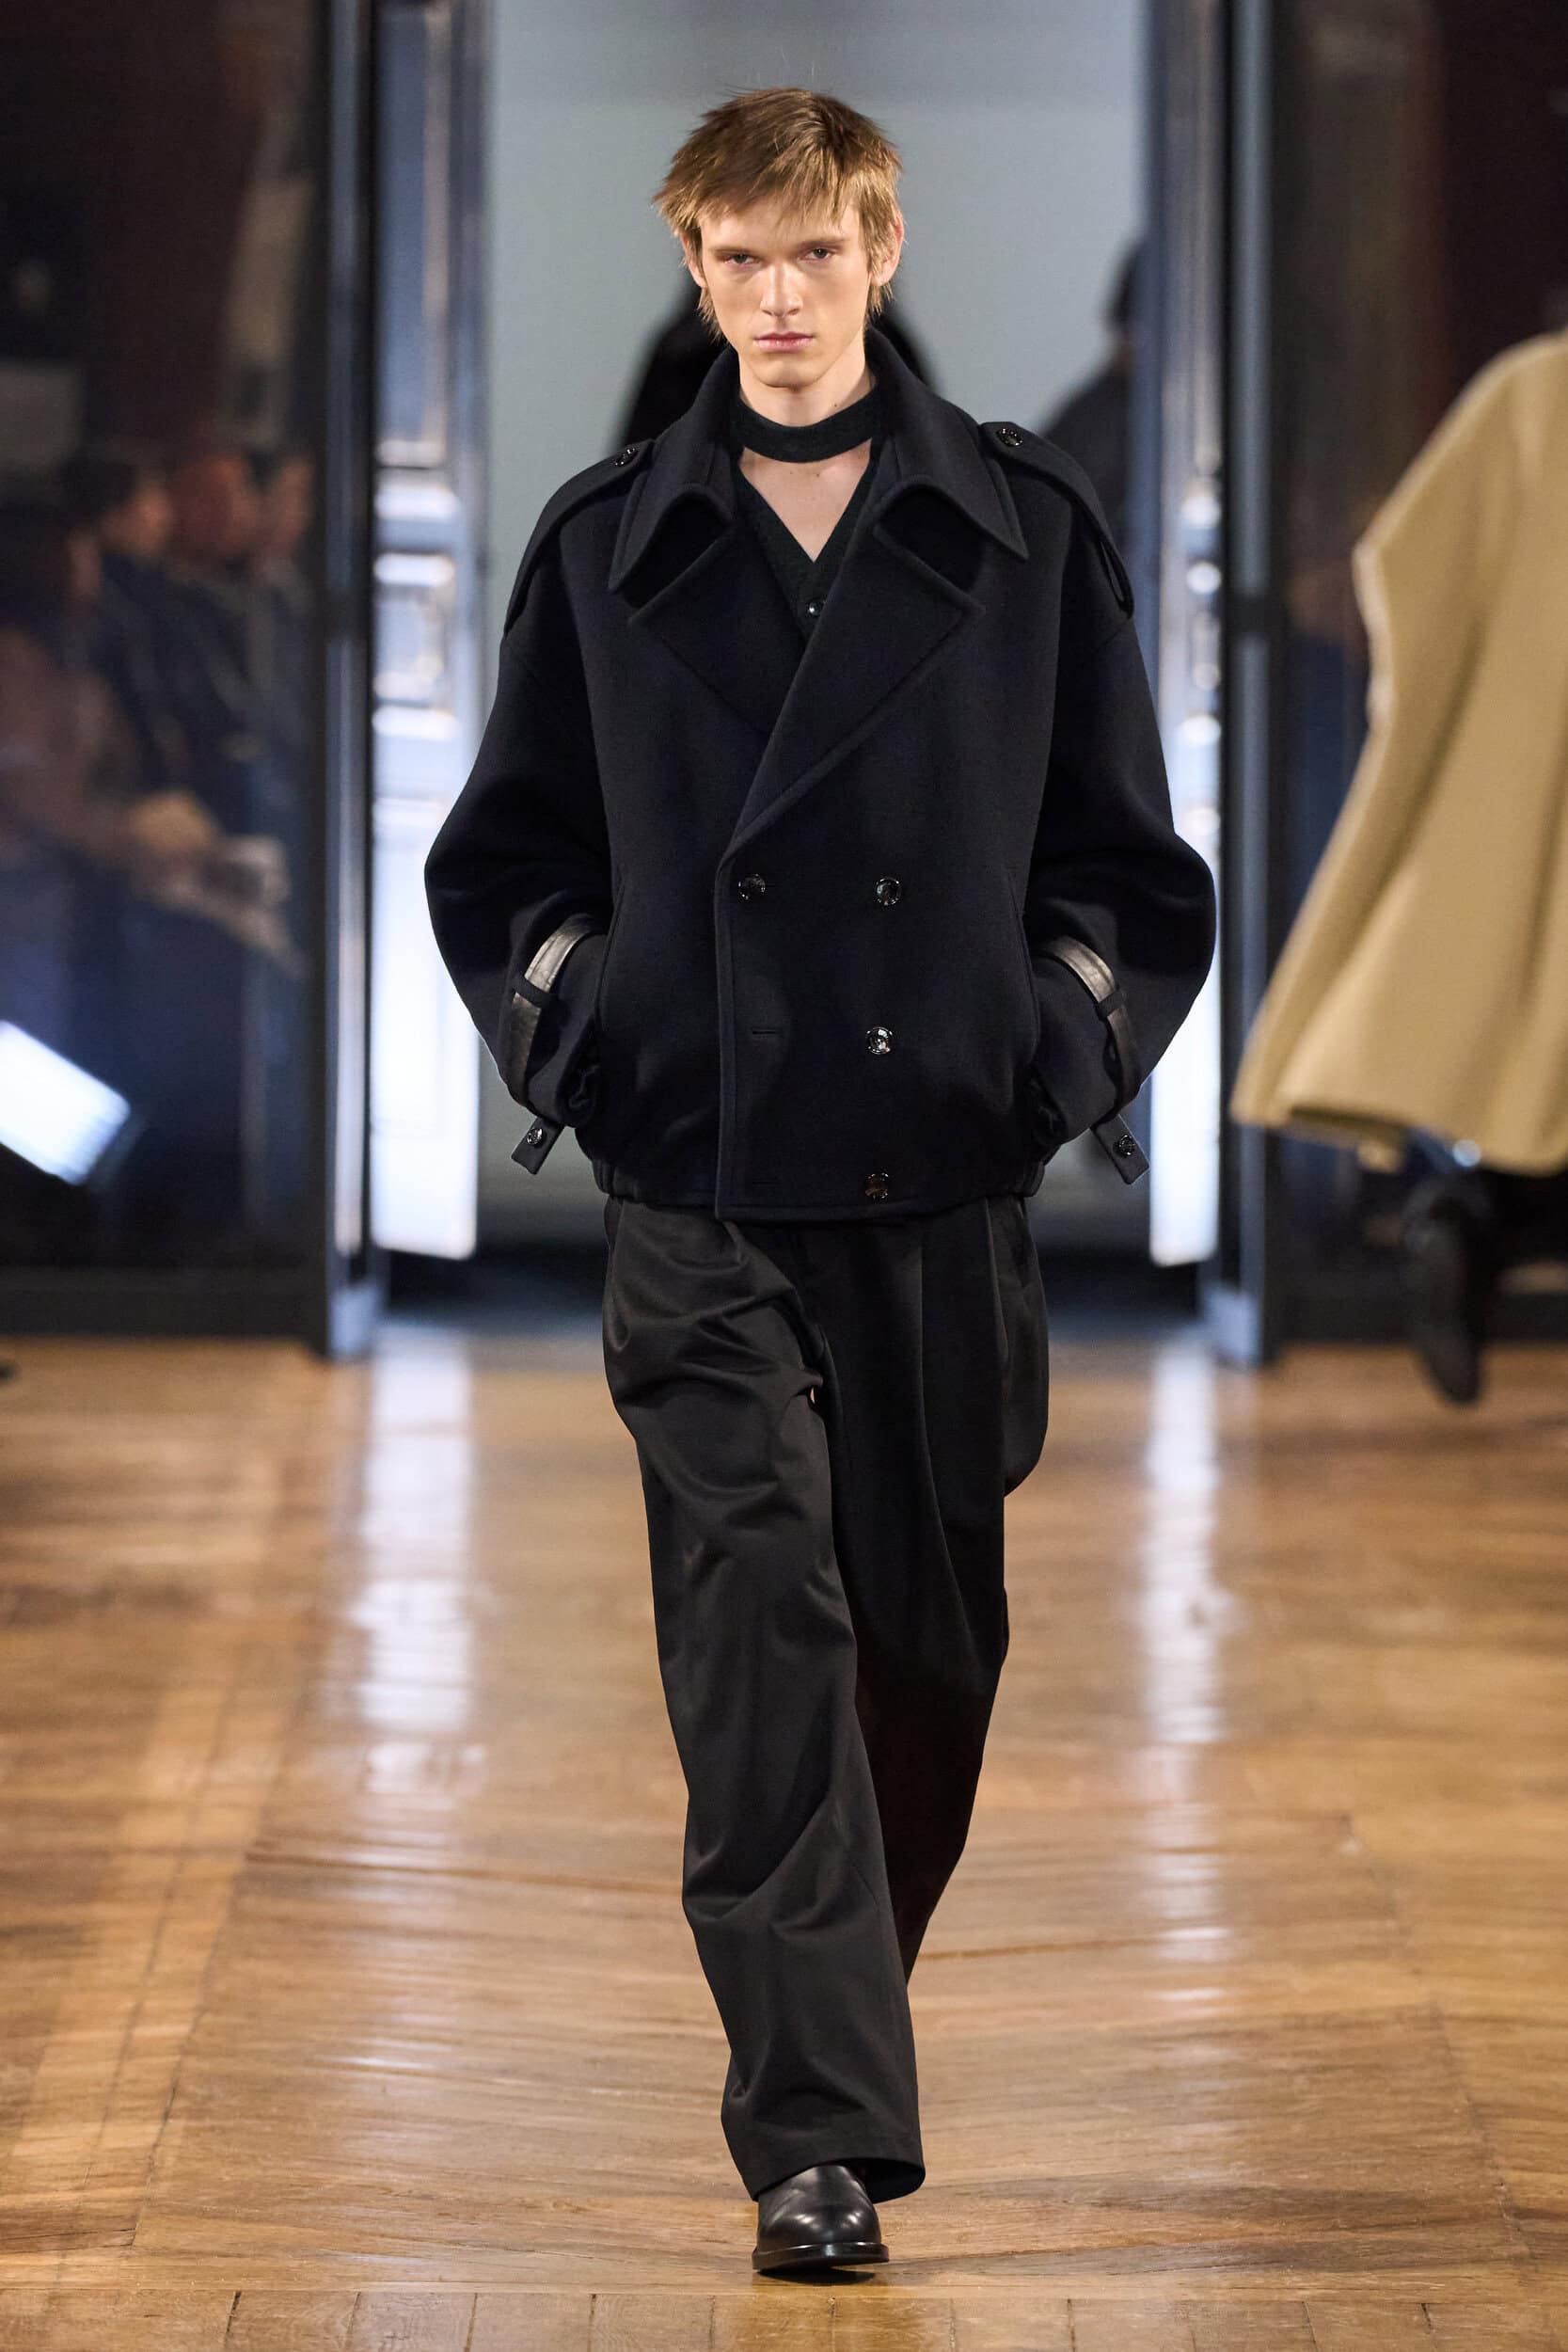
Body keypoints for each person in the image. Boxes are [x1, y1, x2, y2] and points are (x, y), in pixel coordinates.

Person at [425, 86, 1215, 2276]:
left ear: (881, 251)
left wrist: (1044, 1048)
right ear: (697, 275)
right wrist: (597, 1024)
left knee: (922, 1663)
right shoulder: (610, 545)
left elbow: (1128, 866)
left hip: (940, 1176)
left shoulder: (1026, 531)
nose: (778, 299)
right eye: (739, 261)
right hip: (702, 1176)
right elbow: (504, 862)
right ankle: (818, 2137)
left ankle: (830, 2020)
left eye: (813, 255)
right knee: (762, 1628)